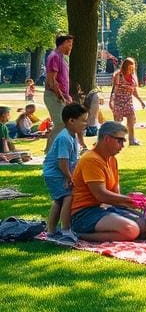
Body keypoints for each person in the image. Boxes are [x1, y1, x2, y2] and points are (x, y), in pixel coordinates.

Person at [70, 121, 143, 242]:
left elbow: (115, 194)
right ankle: (77, 235)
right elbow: (101, 195)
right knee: (131, 230)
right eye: (120, 140)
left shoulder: (112, 159)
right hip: (84, 213)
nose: (122, 145)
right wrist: (130, 200)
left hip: (103, 209)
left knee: (145, 224)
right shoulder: (91, 160)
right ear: (107, 139)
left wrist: (136, 202)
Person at [42, 102, 87, 239]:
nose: (85, 124)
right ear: (71, 121)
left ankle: (51, 231)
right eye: (83, 121)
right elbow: (62, 162)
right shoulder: (64, 138)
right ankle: (65, 230)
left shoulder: (71, 135)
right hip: (56, 173)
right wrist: (70, 177)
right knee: (68, 197)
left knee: (59, 200)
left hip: (58, 173)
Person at [43, 34, 73, 149]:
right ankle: (50, 152)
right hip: (53, 95)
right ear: (63, 44)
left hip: (62, 95)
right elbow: (52, 81)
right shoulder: (54, 56)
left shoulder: (61, 57)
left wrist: (67, 96)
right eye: (69, 43)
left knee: (65, 123)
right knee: (61, 123)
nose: (71, 47)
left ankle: (54, 150)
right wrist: (61, 97)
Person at [110, 57, 146, 145]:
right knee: (117, 123)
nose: (131, 69)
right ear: (125, 66)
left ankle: (132, 140)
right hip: (119, 101)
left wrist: (141, 101)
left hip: (128, 102)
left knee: (131, 121)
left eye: (133, 67)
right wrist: (111, 101)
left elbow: (134, 90)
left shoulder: (133, 76)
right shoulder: (119, 75)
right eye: (130, 67)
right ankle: (116, 141)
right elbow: (114, 88)